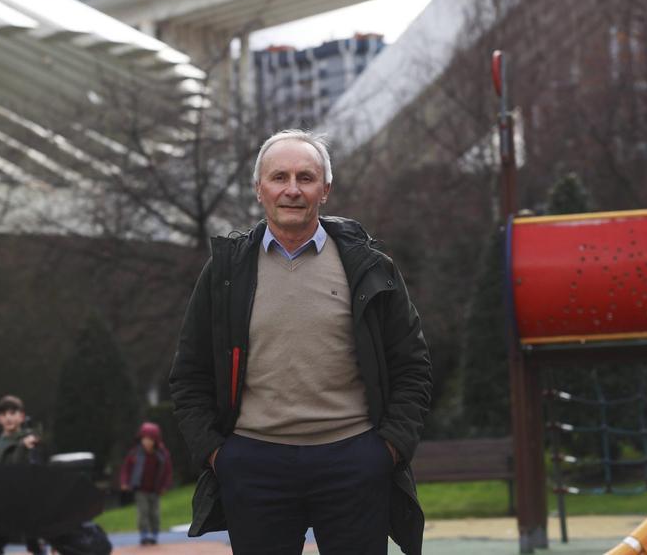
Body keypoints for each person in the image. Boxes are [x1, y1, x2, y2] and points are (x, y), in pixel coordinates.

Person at [169, 129, 432, 555]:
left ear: (325, 190)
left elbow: (412, 366)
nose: (292, 190)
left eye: (306, 178)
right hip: (255, 465)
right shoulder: (225, 273)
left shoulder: (368, 267)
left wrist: (387, 450)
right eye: (279, 177)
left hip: (353, 461)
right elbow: (189, 375)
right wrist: (220, 456)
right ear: (259, 189)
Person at [0, 394, 43, 555]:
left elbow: (24, 467)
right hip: (2, 500)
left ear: (21, 416)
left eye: (12, 413)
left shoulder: (29, 439)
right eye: (3, 414)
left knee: (34, 541)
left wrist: (26, 446)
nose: (8, 418)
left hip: (25, 500)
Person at [118, 421, 173, 546]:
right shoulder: (135, 453)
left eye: (150, 440)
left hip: (155, 490)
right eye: (144, 439)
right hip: (140, 489)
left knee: (154, 513)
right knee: (143, 512)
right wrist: (124, 482)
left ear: (156, 440)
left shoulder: (162, 454)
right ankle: (144, 534)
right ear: (140, 439)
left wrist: (165, 486)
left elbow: (168, 471)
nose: (147, 443)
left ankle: (154, 533)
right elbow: (126, 469)